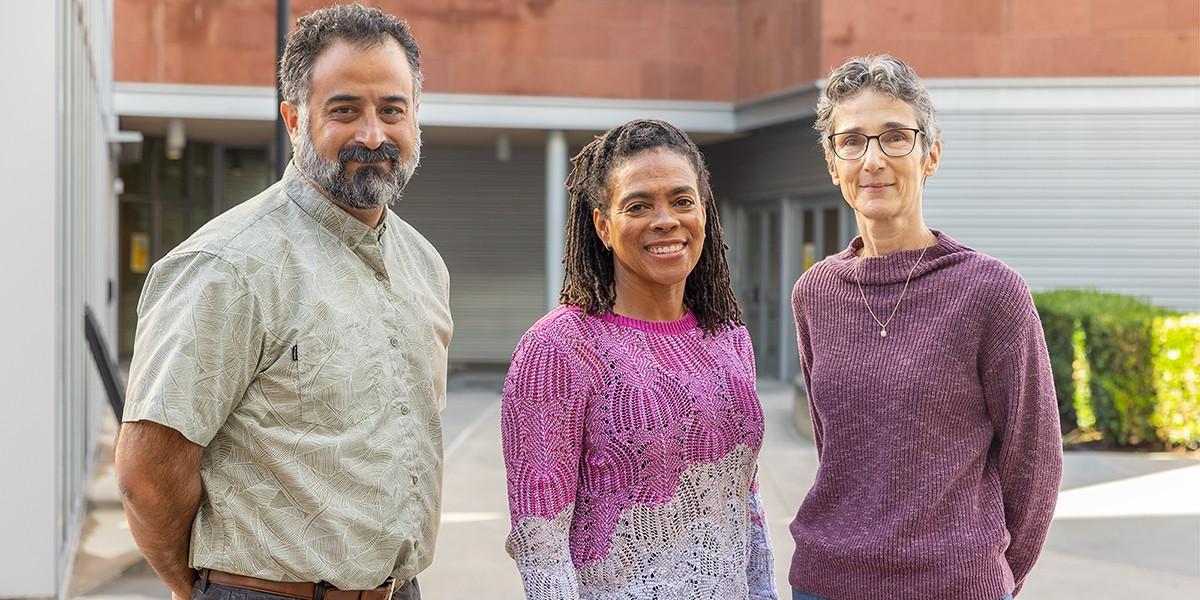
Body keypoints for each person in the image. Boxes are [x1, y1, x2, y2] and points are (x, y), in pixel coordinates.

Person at [114, 5, 450, 600]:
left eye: (392, 110)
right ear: (294, 120)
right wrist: (194, 588)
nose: (373, 135)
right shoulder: (228, 267)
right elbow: (149, 475)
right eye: (344, 110)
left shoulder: (424, 265)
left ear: (416, 117)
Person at [788, 54, 1062, 600]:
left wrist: (994, 576)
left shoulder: (990, 291)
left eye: (894, 136)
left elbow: (1036, 460)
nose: (872, 159)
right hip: (826, 582)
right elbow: (835, 446)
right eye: (852, 141)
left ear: (930, 154)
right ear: (832, 163)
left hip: (953, 586)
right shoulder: (814, 294)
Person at [500, 118, 778, 600]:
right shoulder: (559, 348)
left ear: (704, 214)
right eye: (639, 205)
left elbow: (745, 505)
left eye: (682, 200)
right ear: (603, 225)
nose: (666, 219)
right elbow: (541, 548)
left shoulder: (729, 338)